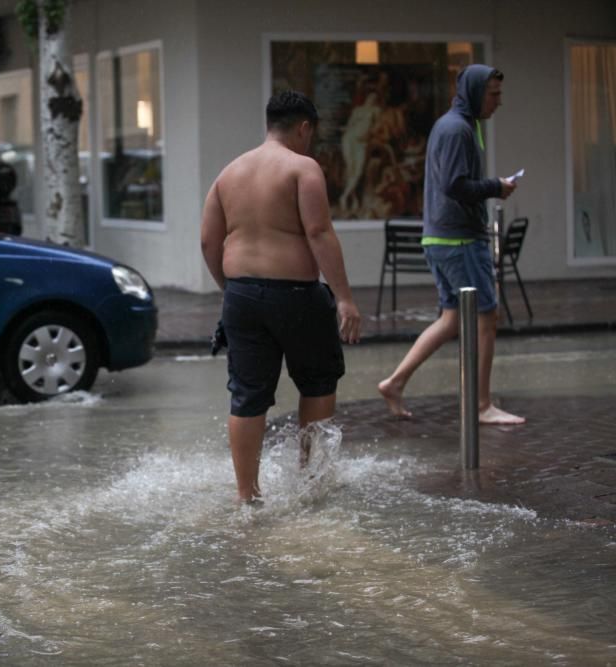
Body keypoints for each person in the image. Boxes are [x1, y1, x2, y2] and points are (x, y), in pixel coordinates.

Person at [200, 90, 362, 505]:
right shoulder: (303, 168)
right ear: (304, 127)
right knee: (318, 381)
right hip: (295, 295)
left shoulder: (229, 173)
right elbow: (319, 233)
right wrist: (344, 297)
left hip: (240, 294)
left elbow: (207, 242)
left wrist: (232, 289)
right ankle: (311, 481)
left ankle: (246, 495)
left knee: (248, 395)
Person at [378, 64, 524, 425]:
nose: (499, 102)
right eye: (494, 94)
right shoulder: (458, 129)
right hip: (459, 238)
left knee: (453, 318)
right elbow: (455, 186)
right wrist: (496, 186)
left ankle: (395, 382)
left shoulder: (457, 125)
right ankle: (481, 405)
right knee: (486, 315)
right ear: (475, 92)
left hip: (441, 236)